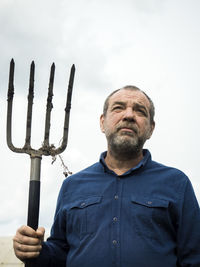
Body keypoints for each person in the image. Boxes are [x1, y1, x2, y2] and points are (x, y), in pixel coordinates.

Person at [13, 85, 200, 267]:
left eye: (140, 111)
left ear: (151, 128)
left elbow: (194, 257)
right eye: (118, 108)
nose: (128, 115)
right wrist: (36, 251)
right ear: (102, 122)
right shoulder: (72, 186)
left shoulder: (176, 183)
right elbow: (60, 254)